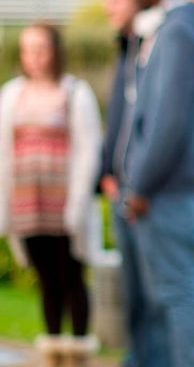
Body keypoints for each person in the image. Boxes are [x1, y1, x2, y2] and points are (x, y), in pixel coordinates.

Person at [115, 0, 194, 367]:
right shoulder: (160, 31)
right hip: (155, 191)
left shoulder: (176, 34)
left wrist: (140, 185)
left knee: (179, 293)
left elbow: (168, 124)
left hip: (164, 193)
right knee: (160, 299)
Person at [0, 23, 103, 366]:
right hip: (28, 203)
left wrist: (78, 202)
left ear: (55, 51)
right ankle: (53, 348)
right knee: (46, 277)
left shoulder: (75, 92)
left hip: (64, 205)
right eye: (28, 49)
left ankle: (79, 349)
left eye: (41, 49)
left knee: (71, 274)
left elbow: (89, 148)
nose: (34, 57)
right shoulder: (13, 94)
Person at [95, 0, 144, 366]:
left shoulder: (152, 48)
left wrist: (137, 182)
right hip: (118, 190)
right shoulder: (124, 47)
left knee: (158, 292)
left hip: (141, 193)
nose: (109, 6)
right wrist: (105, 172)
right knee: (132, 292)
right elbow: (116, 120)